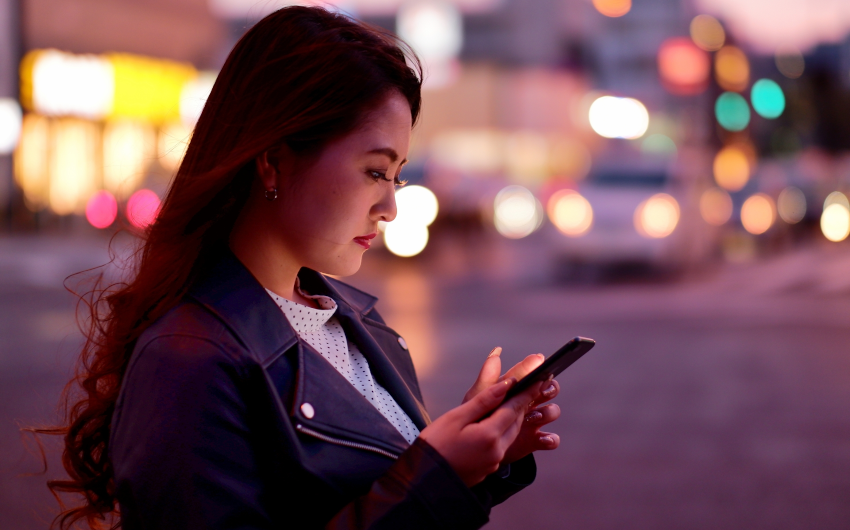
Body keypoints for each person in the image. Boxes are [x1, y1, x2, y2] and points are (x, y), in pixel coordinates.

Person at [48, 6, 561, 529]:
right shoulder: (191, 357)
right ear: (274, 160)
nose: (391, 208)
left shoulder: (349, 321)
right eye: (374, 172)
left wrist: (481, 456)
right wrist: (437, 476)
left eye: (397, 177)